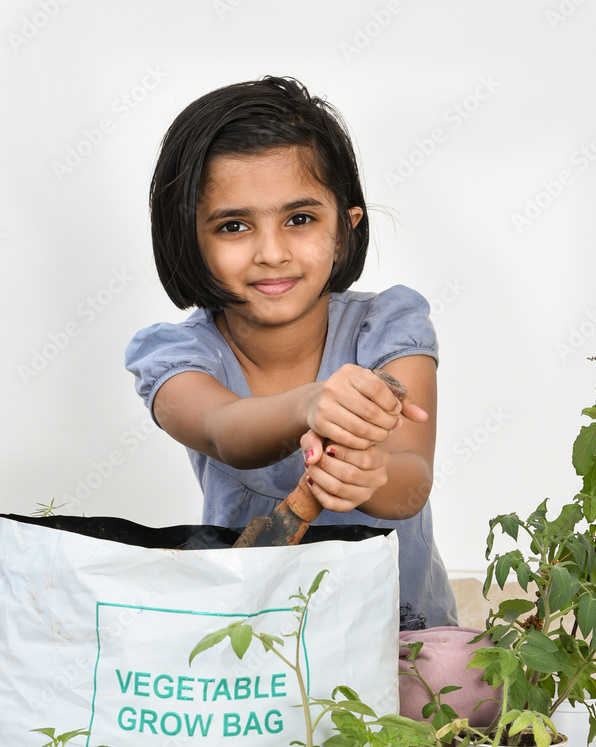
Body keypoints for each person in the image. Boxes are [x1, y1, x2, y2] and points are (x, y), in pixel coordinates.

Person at [126, 76, 457, 629]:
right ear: (188, 240)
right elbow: (223, 429)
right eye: (234, 226)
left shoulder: (388, 327)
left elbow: (412, 481)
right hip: (261, 644)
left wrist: (371, 475)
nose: (272, 252)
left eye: (299, 219)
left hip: (401, 641)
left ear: (343, 231)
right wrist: (308, 404)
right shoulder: (179, 355)